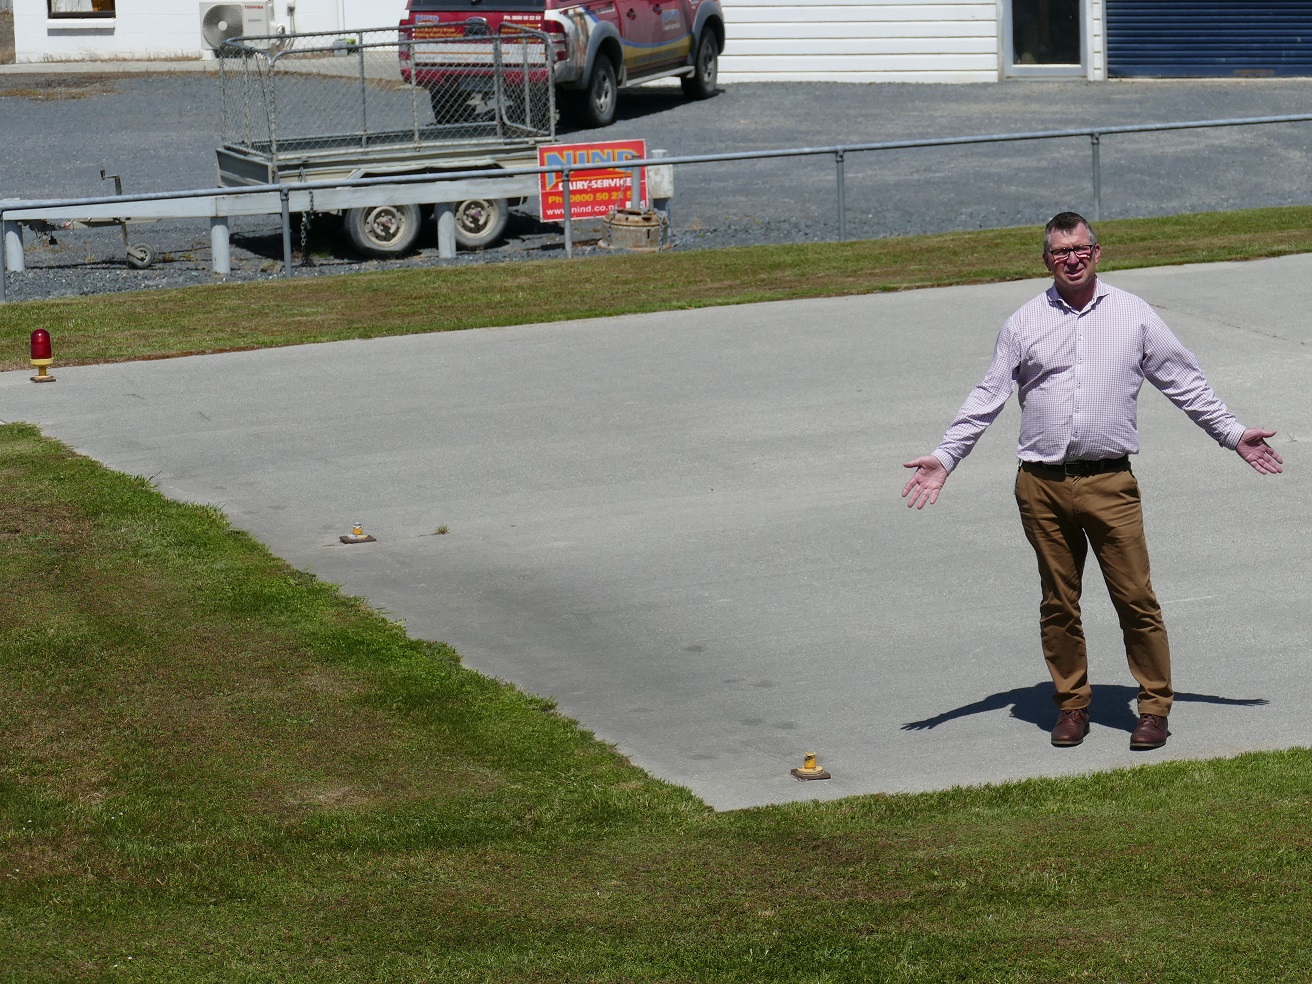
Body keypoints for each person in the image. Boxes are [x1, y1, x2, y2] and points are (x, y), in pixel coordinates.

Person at [901, 211, 1283, 751]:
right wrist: (946, 456)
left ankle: (1153, 708)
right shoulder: (1024, 322)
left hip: (1110, 483)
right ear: (1047, 260)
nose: (1072, 259)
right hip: (1041, 485)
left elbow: (1185, 383)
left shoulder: (1134, 315)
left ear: (1097, 252)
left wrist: (1233, 434)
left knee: (1136, 600)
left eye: (1081, 249)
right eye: (1060, 252)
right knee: (1059, 603)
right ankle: (1072, 705)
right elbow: (986, 397)